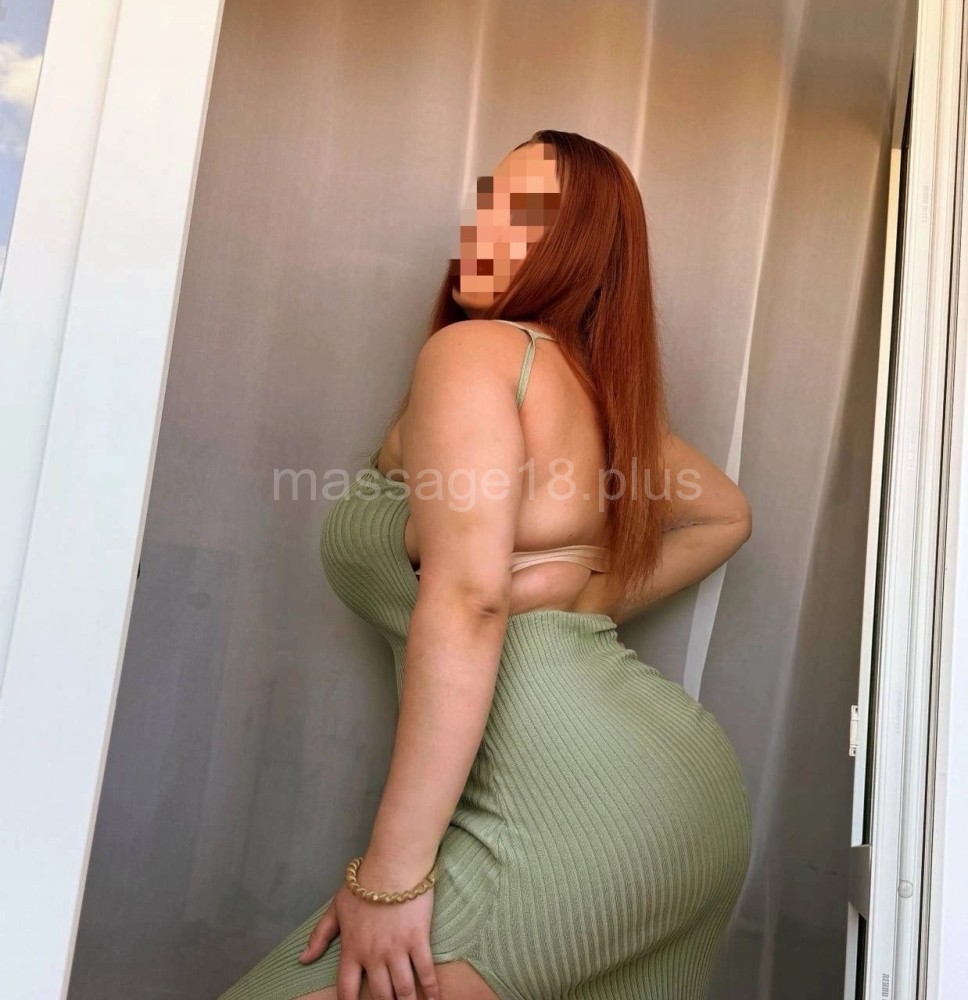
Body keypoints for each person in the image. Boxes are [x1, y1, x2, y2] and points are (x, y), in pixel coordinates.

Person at [217, 129, 753, 1000]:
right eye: (487, 200)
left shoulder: (476, 354)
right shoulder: (592, 394)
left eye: (526, 215)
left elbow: (469, 600)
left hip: (565, 806)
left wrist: (389, 880)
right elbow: (727, 513)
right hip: (684, 799)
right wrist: (570, 597)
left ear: (580, 249)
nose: (482, 226)